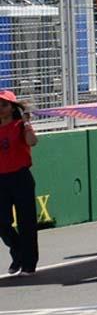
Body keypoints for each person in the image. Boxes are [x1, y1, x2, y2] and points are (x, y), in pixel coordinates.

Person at [0, 90, 38, 277]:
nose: (1, 109)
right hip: (1, 180)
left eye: (4, 105)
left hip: (21, 177)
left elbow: (33, 142)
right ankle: (18, 252)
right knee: (3, 223)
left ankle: (29, 264)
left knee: (27, 223)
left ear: (12, 107)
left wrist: (27, 123)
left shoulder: (20, 125)